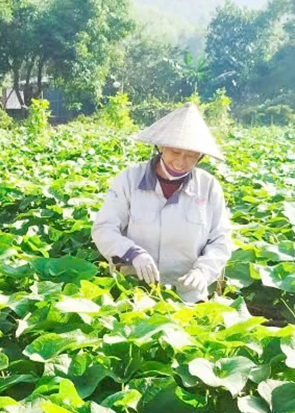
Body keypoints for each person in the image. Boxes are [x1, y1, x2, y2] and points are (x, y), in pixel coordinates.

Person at [92, 103, 234, 304]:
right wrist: (132, 253)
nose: (181, 161)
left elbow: (222, 240)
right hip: (135, 292)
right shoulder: (129, 179)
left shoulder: (209, 187)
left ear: (200, 157)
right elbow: (104, 228)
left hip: (188, 295)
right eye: (175, 152)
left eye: (191, 155)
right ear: (161, 146)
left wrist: (204, 270)